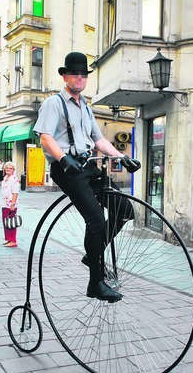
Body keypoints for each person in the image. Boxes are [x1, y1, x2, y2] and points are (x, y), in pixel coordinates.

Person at [33, 51, 141, 302]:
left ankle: (92, 253)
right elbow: (45, 137)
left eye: (83, 75)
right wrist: (63, 158)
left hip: (88, 166)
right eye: (74, 74)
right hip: (67, 169)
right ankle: (96, 282)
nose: (79, 78)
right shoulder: (54, 104)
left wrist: (121, 157)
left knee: (124, 209)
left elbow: (99, 139)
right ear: (65, 76)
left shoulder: (86, 108)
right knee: (96, 220)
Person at [0, 161, 20, 247]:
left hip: (10, 204)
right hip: (4, 203)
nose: (8, 169)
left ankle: (13, 240)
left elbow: (15, 192)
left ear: (13, 170)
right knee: (6, 222)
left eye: (10, 168)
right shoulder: (5, 178)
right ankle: (8, 239)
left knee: (11, 222)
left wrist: (13, 204)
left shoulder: (14, 179)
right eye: (7, 168)